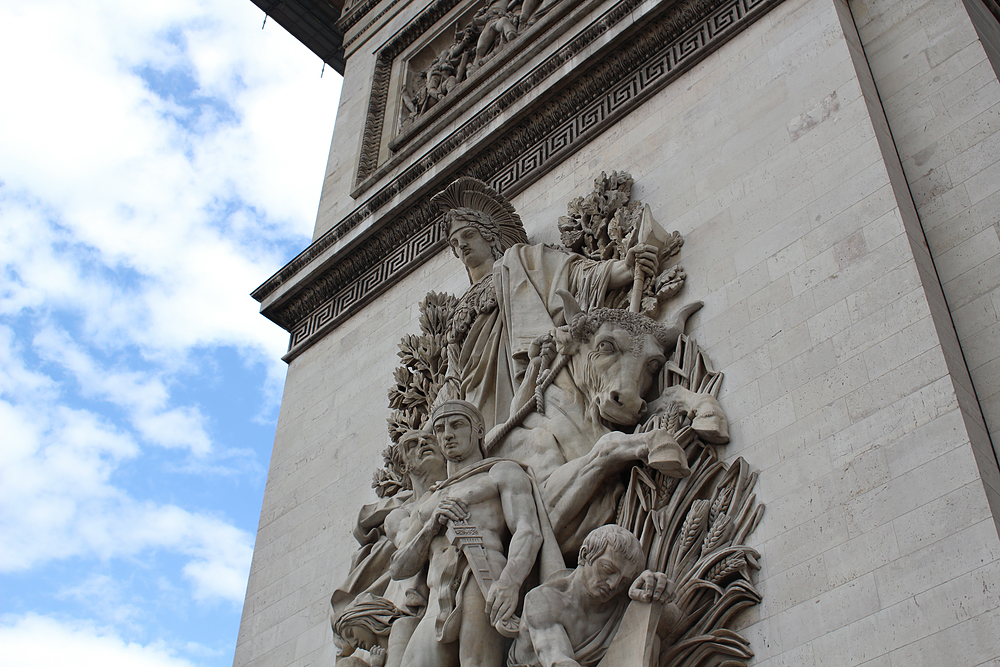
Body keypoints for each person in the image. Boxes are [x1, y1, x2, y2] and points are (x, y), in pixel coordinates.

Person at [430, 177, 659, 433]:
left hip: (522, 372)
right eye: (454, 243)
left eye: (468, 235)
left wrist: (624, 269)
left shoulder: (519, 260)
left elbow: (574, 273)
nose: (461, 245)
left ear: (490, 236)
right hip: (472, 397)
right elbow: (454, 371)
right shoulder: (458, 309)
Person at [389, 400, 562, 667]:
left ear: (479, 430)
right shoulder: (427, 503)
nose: (447, 435)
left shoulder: (501, 472)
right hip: (437, 599)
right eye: (441, 429)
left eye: (457, 425)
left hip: (481, 581)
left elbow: (528, 531)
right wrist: (431, 527)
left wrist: (510, 583)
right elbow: (399, 567)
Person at [509, 524, 680, 667]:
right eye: (607, 570)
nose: (613, 584)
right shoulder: (542, 601)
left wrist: (655, 594)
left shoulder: (619, 604)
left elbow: (674, 627)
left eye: (623, 581)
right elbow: (558, 660)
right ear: (584, 554)